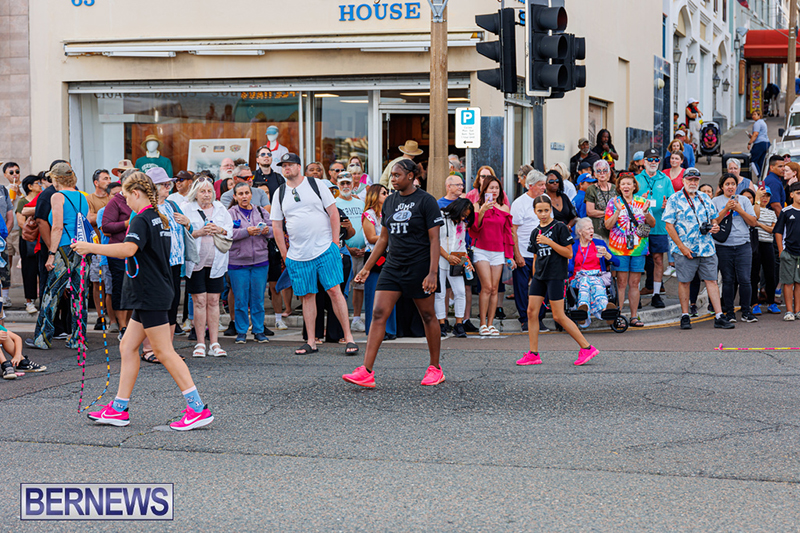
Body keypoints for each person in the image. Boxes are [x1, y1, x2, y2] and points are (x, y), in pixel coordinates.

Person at [74, 173, 213, 430]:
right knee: (127, 346)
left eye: (126, 195)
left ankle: (197, 408)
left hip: (150, 293)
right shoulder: (159, 215)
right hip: (152, 290)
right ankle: (119, 408)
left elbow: (128, 249)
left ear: (136, 192)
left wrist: (90, 247)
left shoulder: (141, 218)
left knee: (163, 351)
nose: (124, 200)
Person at [344, 159, 444, 388]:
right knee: (378, 313)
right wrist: (367, 268)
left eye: (397, 175)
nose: (393, 179)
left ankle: (435, 368)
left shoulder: (426, 201)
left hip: (419, 267)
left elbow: (434, 239)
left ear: (411, 176)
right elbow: (384, 239)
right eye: (391, 176)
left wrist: (432, 273)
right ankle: (367, 371)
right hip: (393, 266)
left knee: (428, 316)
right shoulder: (389, 202)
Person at [270, 153, 357, 356]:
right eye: (283, 165)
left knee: (335, 292)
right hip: (298, 255)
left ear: (299, 167)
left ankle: (349, 338)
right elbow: (276, 226)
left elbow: (334, 213)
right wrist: (286, 255)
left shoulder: (316, 184)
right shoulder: (280, 192)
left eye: (290, 164)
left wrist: (335, 244)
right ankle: (311, 341)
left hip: (324, 249)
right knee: (307, 296)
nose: (286, 168)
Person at [517, 196, 599, 367]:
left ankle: (587, 347)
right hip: (540, 276)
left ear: (551, 210)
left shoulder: (559, 228)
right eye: (539, 211)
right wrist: (533, 278)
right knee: (531, 312)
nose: (543, 214)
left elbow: (569, 253)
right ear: (534, 212)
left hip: (555, 276)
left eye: (546, 210)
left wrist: (549, 242)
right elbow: (535, 256)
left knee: (558, 315)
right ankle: (533, 353)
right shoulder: (535, 232)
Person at [663, 168, 734, 330]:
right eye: (690, 180)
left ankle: (719, 315)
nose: (693, 183)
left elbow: (714, 219)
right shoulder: (675, 199)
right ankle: (685, 315)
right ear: (683, 180)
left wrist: (715, 227)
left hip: (707, 248)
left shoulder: (705, 198)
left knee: (712, 281)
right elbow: (668, 225)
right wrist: (681, 247)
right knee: (685, 282)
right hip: (685, 249)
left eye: (696, 180)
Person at [30, 163, 89, 350]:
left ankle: (42, 339)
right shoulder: (82, 196)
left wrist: (51, 254)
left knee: (51, 293)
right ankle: (78, 339)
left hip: (63, 248)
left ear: (57, 178)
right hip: (81, 248)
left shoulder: (58, 196)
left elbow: (57, 226)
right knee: (79, 295)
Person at [183, 177, 233, 358]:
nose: (206, 194)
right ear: (195, 193)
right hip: (196, 262)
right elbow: (182, 234)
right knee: (199, 301)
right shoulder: (186, 208)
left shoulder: (220, 208)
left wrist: (219, 229)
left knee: (213, 301)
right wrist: (199, 232)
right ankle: (200, 343)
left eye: (209, 191)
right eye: (202, 191)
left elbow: (230, 231)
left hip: (216, 262)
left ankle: (215, 343)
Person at [604, 172, 655, 327]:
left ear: (634, 186)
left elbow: (651, 224)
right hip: (619, 249)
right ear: (619, 187)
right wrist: (618, 211)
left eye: (629, 183)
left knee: (635, 282)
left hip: (638, 249)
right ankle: (618, 316)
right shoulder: (613, 203)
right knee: (621, 282)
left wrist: (646, 212)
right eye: (623, 184)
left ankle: (634, 316)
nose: (626, 186)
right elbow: (607, 225)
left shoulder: (642, 201)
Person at [227, 182, 271, 344]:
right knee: (240, 298)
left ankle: (259, 330)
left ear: (251, 194)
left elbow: (275, 229)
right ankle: (241, 331)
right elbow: (226, 233)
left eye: (247, 193)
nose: (244, 196)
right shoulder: (230, 213)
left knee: (258, 298)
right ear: (235, 196)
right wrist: (246, 232)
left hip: (260, 261)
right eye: (241, 194)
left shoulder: (260, 211)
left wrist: (267, 230)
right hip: (238, 263)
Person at [712, 173, 759, 323]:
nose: (730, 187)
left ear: (736, 186)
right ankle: (730, 312)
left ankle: (746, 311)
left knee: (745, 279)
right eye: (727, 184)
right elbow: (714, 222)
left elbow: (753, 222)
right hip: (723, 246)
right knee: (728, 280)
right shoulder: (715, 201)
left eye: (733, 184)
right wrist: (726, 208)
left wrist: (739, 209)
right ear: (722, 186)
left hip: (743, 245)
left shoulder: (744, 200)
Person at [470, 174, 513, 335]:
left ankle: (491, 323)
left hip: (498, 252)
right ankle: (482, 323)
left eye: (497, 188)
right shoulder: (476, 206)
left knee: (495, 288)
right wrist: (481, 212)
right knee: (486, 287)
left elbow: (508, 233)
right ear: (484, 189)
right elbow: (474, 230)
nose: (494, 191)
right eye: (491, 188)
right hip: (481, 250)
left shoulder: (504, 208)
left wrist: (509, 256)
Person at [636, 149, 675, 309]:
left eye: (656, 159)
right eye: (650, 159)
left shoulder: (665, 180)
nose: (653, 162)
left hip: (659, 226)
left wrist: (667, 205)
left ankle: (656, 294)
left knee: (658, 260)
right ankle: (635, 295)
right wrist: (639, 200)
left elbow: (672, 201)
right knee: (639, 261)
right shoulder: (636, 179)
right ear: (644, 161)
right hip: (640, 227)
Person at [512, 170, 547, 333]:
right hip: (524, 252)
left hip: (542, 253)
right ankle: (525, 319)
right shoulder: (519, 203)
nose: (544, 188)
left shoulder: (545, 200)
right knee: (521, 287)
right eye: (541, 185)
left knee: (541, 287)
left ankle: (539, 318)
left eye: (544, 184)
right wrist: (517, 253)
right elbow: (513, 230)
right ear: (531, 185)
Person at [101, 168, 134, 340]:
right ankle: (122, 327)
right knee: (120, 288)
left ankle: (130, 325)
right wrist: (126, 223)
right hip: (118, 251)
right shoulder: (116, 201)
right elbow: (106, 226)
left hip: (136, 252)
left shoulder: (139, 199)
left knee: (133, 289)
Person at [569, 218, 620, 327]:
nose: (592, 231)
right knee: (586, 281)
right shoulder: (573, 246)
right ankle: (603, 309)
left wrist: (607, 254)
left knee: (594, 282)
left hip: (597, 276)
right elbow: (569, 266)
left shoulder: (599, 243)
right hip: (579, 277)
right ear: (580, 232)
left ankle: (584, 310)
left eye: (592, 228)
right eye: (588, 229)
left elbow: (617, 262)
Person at [436, 198, 474, 338]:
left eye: (466, 216)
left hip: (456, 260)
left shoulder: (462, 224)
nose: (464, 218)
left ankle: (459, 324)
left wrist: (466, 260)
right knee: (440, 294)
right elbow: (435, 241)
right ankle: (441, 323)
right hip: (440, 259)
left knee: (460, 292)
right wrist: (447, 256)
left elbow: (462, 244)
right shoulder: (440, 217)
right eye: (463, 215)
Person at [336, 172, 367, 333]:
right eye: (343, 184)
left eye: (348, 183)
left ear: (353, 185)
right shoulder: (335, 203)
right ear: (338, 185)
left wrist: (365, 247)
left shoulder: (361, 203)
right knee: (342, 287)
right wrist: (348, 248)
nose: (346, 186)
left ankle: (356, 318)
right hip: (345, 252)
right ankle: (341, 321)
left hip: (363, 251)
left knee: (359, 286)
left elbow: (367, 224)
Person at [85, 169, 112, 332]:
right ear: (96, 182)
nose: (109, 181)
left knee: (111, 283)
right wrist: (105, 217)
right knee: (97, 282)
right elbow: (89, 219)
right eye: (105, 178)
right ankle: (100, 315)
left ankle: (112, 314)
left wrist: (100, 217)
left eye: (109, 178)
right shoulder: (89, 199)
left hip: (112, 246)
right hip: (96, 247)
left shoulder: (112, 198)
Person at [749, 187, 780, 315]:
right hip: (755, 244)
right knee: (754, 275)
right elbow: (754, 217)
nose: (765, 198)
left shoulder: (772, 213)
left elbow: (773, 230)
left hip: (768, 244)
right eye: (762, 195)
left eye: (767, 196)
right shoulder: (753, 208)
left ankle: (771, 302)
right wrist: (756, 200)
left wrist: (760, 225)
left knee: (770, 274)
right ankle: (754, 303)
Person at [774, 182, 800, 320]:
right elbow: (778, 232)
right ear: (791, 194)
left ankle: (798, 310)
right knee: (788, 282)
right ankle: (789, 310)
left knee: (799, 282)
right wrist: (781, 250)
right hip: (788, 251)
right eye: (798, 193)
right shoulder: (786, 212)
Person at [16, 174, 41, 314]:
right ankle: (29, 301)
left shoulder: (43, 198)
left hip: (41, 239)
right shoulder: (22, 201)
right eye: (37, 183)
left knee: (41, 269)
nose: (40, 185)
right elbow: (20, 222)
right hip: (27, 240)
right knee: (29, 269)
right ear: (30, 186)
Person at [747, 110, 770, 177]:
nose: (753, 116)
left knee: (753, 160)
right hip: (766, 143)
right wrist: (752, 137)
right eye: (752, 115)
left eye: (755, 114)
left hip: (759, 144)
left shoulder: (757, 123)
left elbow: (756, 134)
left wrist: (749, 143)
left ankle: (759, 176)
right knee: (761, 161)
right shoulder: (763, 123)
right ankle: (763, 175)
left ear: (759, 115)